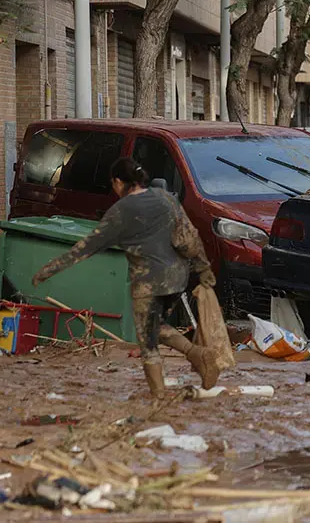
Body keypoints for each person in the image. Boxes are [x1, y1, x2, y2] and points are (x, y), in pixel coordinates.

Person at [32, 158, 221, 399]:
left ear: (119, 182)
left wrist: (48, 269)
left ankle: (159, 395)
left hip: (148, 283)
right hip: (177, 278)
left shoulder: (121, 211)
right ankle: (197, 354)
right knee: (156, 327)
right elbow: (188, 238)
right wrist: (204, 269)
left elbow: (85, 247)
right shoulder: (165, 198)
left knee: (147, 342)